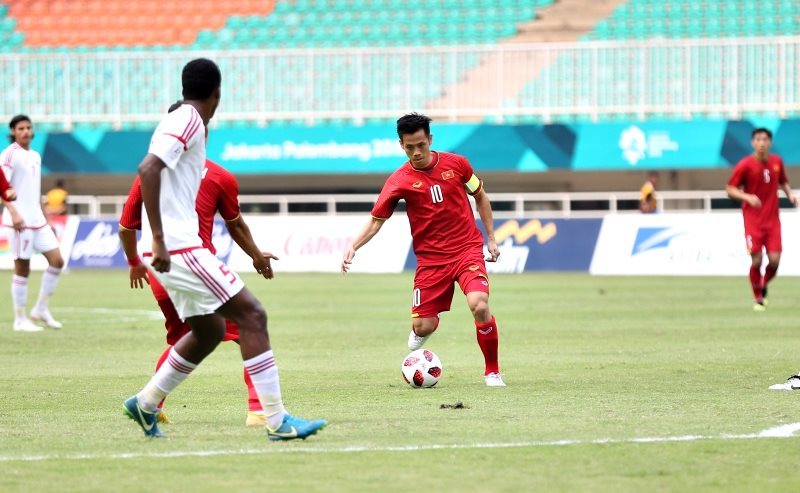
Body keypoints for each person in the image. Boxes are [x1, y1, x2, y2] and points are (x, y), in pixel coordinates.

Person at [122, 58, 326, 440]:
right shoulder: (189, 119)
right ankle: (278, 421)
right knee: (253, 315)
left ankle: (147, 402)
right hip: (183, 249)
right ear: (216, 95)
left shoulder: (178, 120)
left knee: (210, 330)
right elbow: (148, 169)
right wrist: (161, 239)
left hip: (174, 253)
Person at [341, 113, 506, 387]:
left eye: (421, 145)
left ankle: (492, 371)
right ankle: (422, 329)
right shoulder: (399, 181)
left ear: (429, 139)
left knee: (479, 304)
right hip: (431, 262)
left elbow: (480, 195)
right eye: (409, 147)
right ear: (401, 145)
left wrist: (491, 237)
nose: (416, 152)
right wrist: (353, 246)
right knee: (423, 327)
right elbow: (376, 220)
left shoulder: (457, 165)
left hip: (467, 250)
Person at [119, 150, 276, 427]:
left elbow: (126, 226)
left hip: (159, 269)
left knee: (190, 339)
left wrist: (134, 263)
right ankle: (259, 410)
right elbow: (236, 225)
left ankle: (150, 405)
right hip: (194, 264)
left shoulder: (150, 174)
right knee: (246, 325)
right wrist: (256, 256)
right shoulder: (220, 176)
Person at [1, 115, 64, 332]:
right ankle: (20, 319)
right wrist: (12, 212)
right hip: (19, 221)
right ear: (13, 132)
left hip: (37, 220)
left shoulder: (35, 155)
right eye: (21, 128)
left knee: (57, 261)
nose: (26, 131)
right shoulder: (9, 155)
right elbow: (3, 187)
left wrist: (46, 215)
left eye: (29, 128)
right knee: (22, 268)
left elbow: (33, 189)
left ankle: (41, 309)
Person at [726, 127, 797, 312]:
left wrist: (790, 195)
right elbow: (730, 188)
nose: (762, 143)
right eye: (758, 139)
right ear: (753, 143)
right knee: (756, 260)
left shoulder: (776, 162)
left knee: (774, 261)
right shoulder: (745, 165)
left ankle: (763, 283)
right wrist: (747, 197)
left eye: (765, 139)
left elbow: (783, 180)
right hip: (753, 221)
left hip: (773, 220)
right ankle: (758, 296)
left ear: (770, 143)